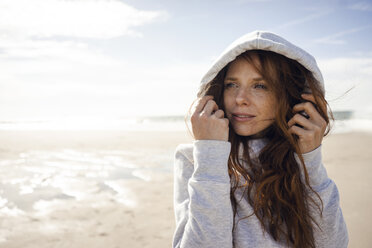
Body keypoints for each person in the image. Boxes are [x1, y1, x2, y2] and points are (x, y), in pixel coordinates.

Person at [172, 31, 348, 248]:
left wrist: (309, 160)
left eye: (260, 86)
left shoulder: (298, 158)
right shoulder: (194, 158)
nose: (240, 99)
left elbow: (332, 244)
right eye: (231, 85)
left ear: (289, 95)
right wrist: (210, 154)